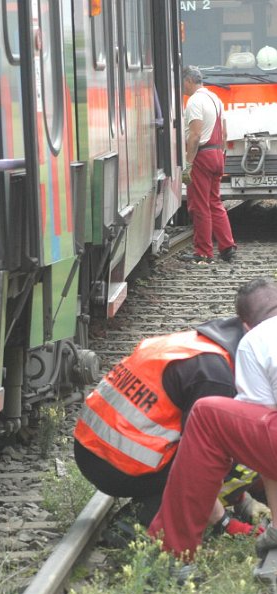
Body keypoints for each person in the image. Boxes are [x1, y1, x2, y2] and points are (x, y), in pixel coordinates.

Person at [74, 315, 256, 533]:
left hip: (87, 450)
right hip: (119, 468)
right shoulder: (216, 377)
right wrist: (224, 523)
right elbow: (197, 464)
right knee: (249, 448)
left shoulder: (198, 345)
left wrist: (241, 499)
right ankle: (141, 520)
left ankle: (228, 502)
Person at [148, 277, 277, 561]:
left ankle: (172, 553)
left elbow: (261, 435)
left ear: (245, 326)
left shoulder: (254, 340)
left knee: (207, 416)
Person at [179, 65, 237, 265]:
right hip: (217, 154)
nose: (182, 88)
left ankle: (203, 252)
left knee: (199, 205)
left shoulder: (194, 101)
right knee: (215, 202)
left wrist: (188, 163)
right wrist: (221, 154)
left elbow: (194, 135)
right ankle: (227, 246)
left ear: (188, 80)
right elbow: (225, 132)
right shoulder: (216, 99)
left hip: (202, 156)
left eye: (182, 83)